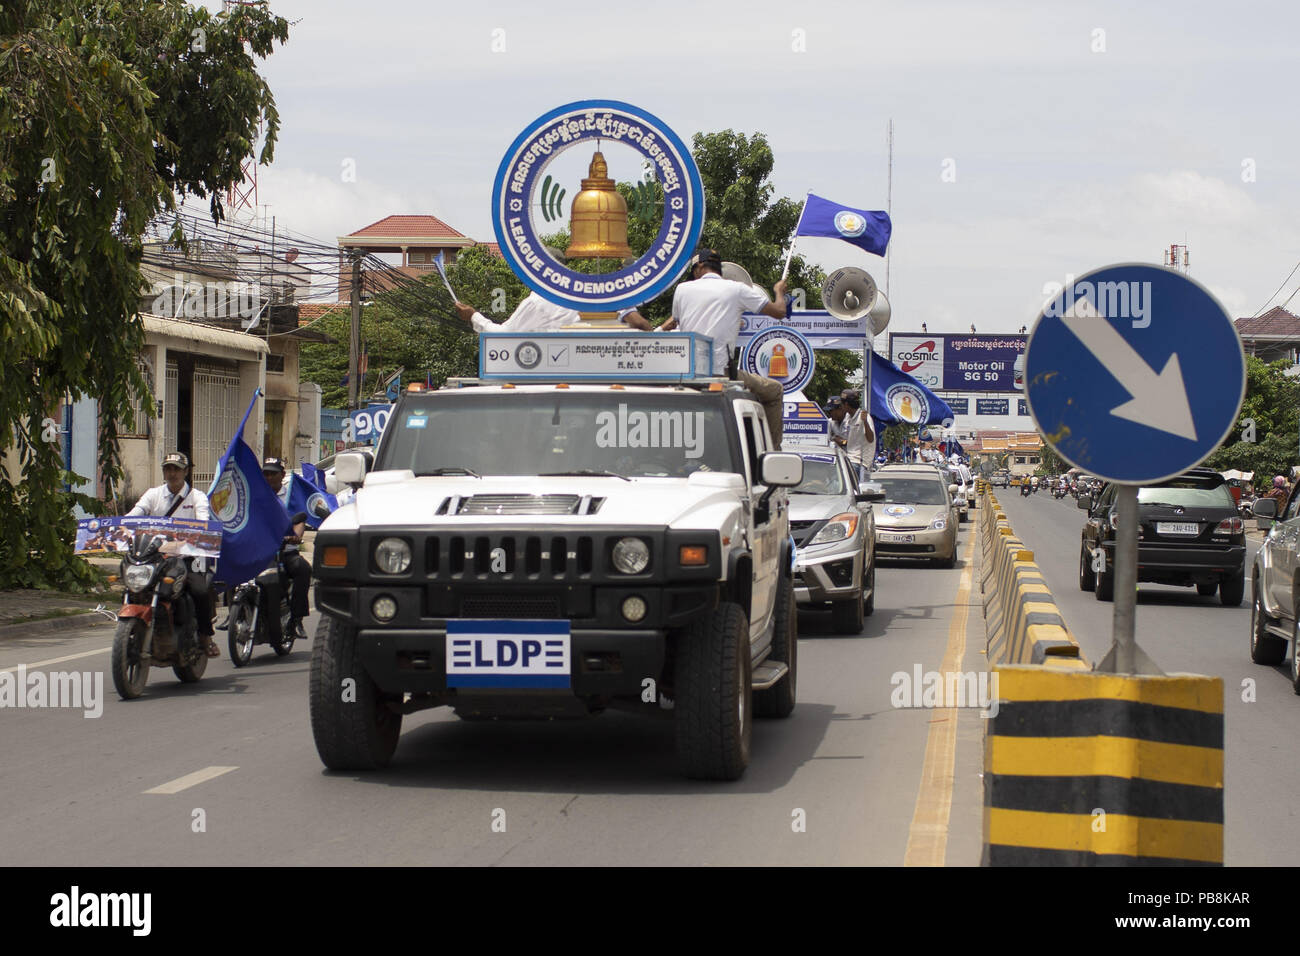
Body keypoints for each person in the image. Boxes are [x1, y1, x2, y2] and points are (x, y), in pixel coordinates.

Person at [655, 247, 788, 446]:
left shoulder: (682, 290)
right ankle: (771, 453)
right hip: (723, 374)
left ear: (699, 267)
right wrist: (779, 291)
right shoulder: (737, 289)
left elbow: (677, 321)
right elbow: (779, 311)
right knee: (775, 390)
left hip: (688, 373)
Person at [127, 451, 218, 657]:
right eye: (168, 468)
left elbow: (203, 522)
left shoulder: (197, 497)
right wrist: (122, 525)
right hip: (154, 558)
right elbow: (136, 513)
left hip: (185, 559)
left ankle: (205, 636)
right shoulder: (153, 494)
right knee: (133, 584)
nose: (172, 473)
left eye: (176, 469)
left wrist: (194, 534)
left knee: (200, 591)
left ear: (185, 472)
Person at [260, 458, 312, 641]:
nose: (268, 477)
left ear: (282, 475)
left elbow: (299, 520)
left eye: (273, 473)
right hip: (260, 550)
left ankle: (296, 619)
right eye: (265, 473)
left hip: (285, 551)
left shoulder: (291, 496)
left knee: (302, 568)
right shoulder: (256, 496)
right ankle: (235, 612)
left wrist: (295, 536)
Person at [453, 292, 652, 332]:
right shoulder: (582, 293)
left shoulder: (538, 301)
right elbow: (643, 326)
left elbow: (504, 336)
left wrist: (472, 316)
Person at [841, 391, 875, 480]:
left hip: (859, 462)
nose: (842, 407)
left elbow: (871, 439)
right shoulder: (847, 417)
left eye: (842, 404)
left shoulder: (864, 417)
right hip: (849, 458)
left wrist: (865, 422)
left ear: (847, 404)